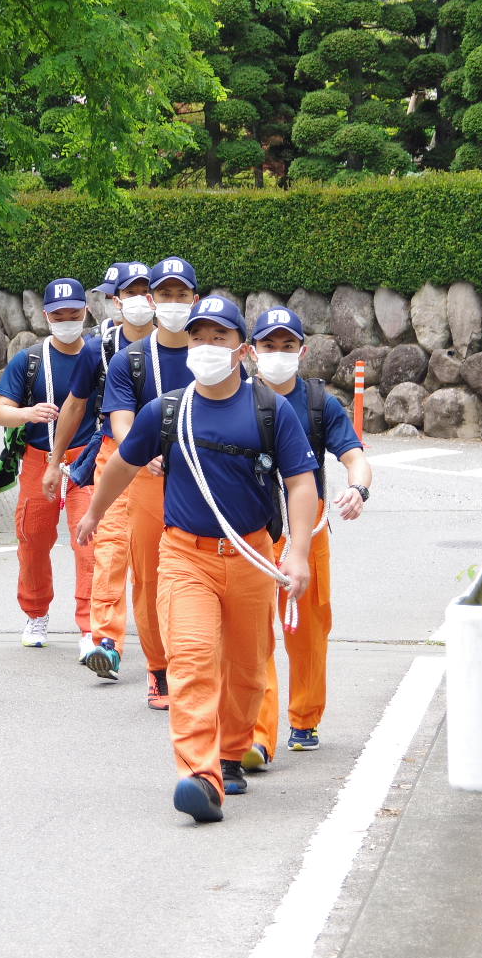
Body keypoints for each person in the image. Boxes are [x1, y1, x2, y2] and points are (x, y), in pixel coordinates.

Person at [77, 295, 319, 821]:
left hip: (253, 556)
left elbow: (301, 482)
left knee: (248, 668)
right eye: (199, 337)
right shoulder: (166, 410)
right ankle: (200, 776)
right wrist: (96, 513)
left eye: (220, 337)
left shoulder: (269, 409)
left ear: (241, 350)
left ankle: (231, 753)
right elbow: (122, 464)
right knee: (191, 660)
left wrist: (297, 553)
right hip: (184, 556)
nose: (207, 347)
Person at [241, 307, 372, 771]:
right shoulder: (232, 398)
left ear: (303, 350)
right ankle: (256, 735)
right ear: (252, 351)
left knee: (308, 627)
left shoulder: (319, 403)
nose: (278, 355)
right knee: (251, 632)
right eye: (269, 346)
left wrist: (357, 487)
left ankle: (305, 717)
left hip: (306, 525)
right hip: (251, 526)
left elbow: (354, 457)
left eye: (287, 346)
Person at [92, 257, 201, 709]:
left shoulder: (212, 350)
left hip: (203, 481)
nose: (173, 304)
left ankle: (194, 665)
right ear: (151, 299)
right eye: (165, 295)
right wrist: (141, 453)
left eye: (182, 295)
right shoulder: (130, 359)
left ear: (194, 298)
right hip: (147, 479)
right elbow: (121, 421)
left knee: (200, 576)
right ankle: (159, 671)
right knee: (150, 579)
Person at [41, 261, 154, 676]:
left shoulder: (181, 343)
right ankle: (107, 640)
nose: (138, 300)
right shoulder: (100, 347)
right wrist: (55, 462)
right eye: (129, 292)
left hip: (169, 458)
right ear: (114, 300)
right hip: (114, 456)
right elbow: (75, 404)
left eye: (145, 290)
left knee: (158, 556)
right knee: (108, 546)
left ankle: (168, 643)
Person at [0, 278, 99, 649]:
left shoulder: (100, 356)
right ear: (46, 316)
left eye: (74, 313)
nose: (68, 320)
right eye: (59, 314)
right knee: (33, 540)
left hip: (87, 460)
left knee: (91, 542)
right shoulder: (31, 360)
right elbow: (0, 413)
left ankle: (91, 627)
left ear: (87, 311)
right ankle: (36, 615)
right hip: (38, 460)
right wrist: (28, 413)